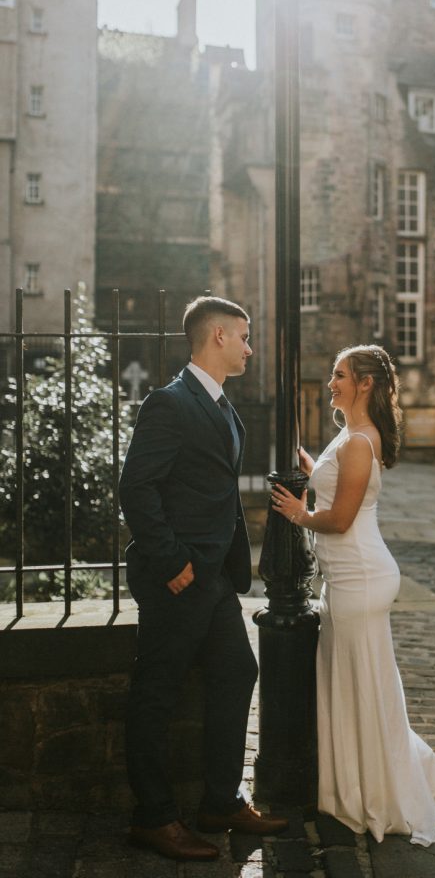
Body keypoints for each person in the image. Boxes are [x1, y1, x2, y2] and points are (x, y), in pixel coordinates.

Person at [271, 344, 435, 846]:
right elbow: (335, 487)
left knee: (361, 686)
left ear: (365, 384)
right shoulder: (350, 437)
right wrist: (306, 463)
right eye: (332, 372)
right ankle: (362, 786)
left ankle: (373, 794)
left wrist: (298, 512)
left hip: (359, 576)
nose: (330, 381)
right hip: (352, 577)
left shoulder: (360, 440)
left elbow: (336, 519)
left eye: (339, 374)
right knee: (360, 683)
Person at [119, 296, 287, 863]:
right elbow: (136, 487)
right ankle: (154, 817)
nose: (249, 346)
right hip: (178, 577)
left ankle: (219, 800)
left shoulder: (223, 406)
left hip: (214, 579)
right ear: (216, 336)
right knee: (156, 694)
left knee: (239, 670)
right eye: (243, 335)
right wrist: (171, 562)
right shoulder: (168, 403)